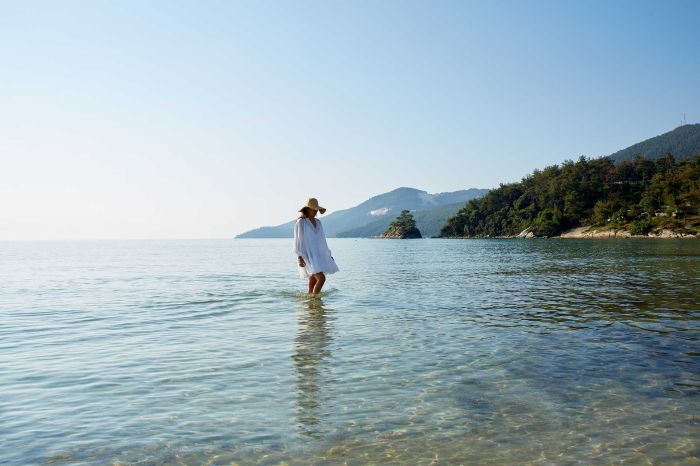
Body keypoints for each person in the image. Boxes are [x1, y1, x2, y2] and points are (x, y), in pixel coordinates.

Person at [293, 198, 339, 294]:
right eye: (313, 209)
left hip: (317, 255)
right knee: (321, 278)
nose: (315, 211)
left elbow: (322, 240)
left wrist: (328, 255)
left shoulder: (318, 222)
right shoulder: (301, 222)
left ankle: (310, 300)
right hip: (307, 255)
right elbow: (297, 240)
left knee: (313, 280)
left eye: (316, 209)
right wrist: (299, 257)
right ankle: (315, 299)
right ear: (307, 209)